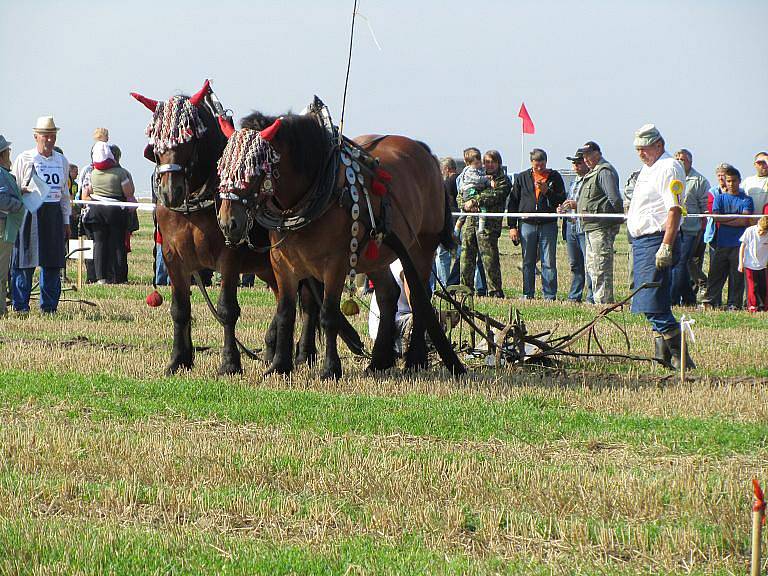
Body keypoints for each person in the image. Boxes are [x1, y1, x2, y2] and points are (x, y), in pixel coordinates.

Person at [626, 124, 692, 370]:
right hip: (643, 241)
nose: (641, 153)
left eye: (645, 148)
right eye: (638, 149)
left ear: (659, 145)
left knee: (651, 302)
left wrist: (666, 245)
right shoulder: (648, 169)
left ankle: (681, 359)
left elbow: (674, 209)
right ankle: (663, 358)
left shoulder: (669, 167)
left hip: (657, 239)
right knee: (652, 301)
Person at [11, 116, 71, 313]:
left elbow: (64, 194)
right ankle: (20, 306)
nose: (50, 140)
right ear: (36, 136)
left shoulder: (61, 160)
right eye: (46, 136)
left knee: (52, 262)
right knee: (24, 261)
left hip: (53, 213)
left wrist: (66, 220)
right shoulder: (24, 158)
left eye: (53, 136)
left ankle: (49, 307)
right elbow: (15, 187)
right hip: (30, 212)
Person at [507, 148, 566, 300]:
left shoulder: (555, 177)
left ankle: (550, 295)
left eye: (542, 163)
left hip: (548, 224)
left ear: (546, 162)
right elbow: (513, 202)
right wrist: (512, 226)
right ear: (531, 163)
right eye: (536, 164)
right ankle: (528, 293)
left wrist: (547, 191)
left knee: (549, 261)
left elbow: (560, 200)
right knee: (528, 260)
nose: (539, 167)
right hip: (527, 224)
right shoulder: (522, 177)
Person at [81, 142, 136, 284]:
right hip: (115, 211)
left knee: (99, 244)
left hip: (96, 211)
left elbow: (86, 194)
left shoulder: (92, 173)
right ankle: (119, 277)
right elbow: (128, 193)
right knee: (118, 243)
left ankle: (101, 277)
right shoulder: (121, 173)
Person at [576, 141, 623, 304]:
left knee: (600, 266)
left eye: (588, 155)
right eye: (584, 156)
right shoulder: (593, 172)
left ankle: (604, 302)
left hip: (601, 227)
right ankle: (598, 300)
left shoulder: (604, 171)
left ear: (598, 153)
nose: (586, 159)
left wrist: (614, 221)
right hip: (591, 227)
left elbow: (615, 199)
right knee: (592, 266)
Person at [459, 150, 510, 298]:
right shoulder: (474, 175)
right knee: (466, 258)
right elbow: (460, 194)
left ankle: (495, 292)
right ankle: (465, 290)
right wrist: (465, 204)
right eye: (487, 161)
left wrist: (475, 201)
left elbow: (495, 195)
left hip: (489, 226)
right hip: (470, 222)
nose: (489, 165)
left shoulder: (503, 180)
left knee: (489, 260)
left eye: (492, 162)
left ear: (498, 163)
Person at [702, 166, 754, 310]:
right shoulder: (719, 198)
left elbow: (744, 221)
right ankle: (710, 302)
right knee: (715, 274)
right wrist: (733, 218)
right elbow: (717, 218)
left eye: (734, 181)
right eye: (729, 181)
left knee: (737, 276)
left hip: (739, 244)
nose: (731, 184)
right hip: (722, 243)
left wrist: (726, 219)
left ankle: (734, 304)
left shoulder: (747, 199)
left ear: (739, 181)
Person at [669, 149, 710, 306]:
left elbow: (704, 209)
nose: (680, 162)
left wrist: (702, 231)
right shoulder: (670, 177)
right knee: (678, 263)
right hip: (672, 227)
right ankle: (689, 299)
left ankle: (672, 300)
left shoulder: (700, 181)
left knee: (680, 263)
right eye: (677, 159)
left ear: (690, 162)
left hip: (690, 229)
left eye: (683, 159)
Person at [558, 151, 592, 303]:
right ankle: (574, 295)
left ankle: (591, 296)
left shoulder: (591, 180)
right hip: (571, 226)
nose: (575, 166)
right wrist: (563, 208)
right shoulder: (573, 182)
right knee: (575, 264)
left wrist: (576, 205)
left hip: (584, 226)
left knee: (589, 263)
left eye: (578, 163)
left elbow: (592, 204)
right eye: (574, 163)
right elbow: (568, 200)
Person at [0, 136, 26, 316]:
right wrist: (19, 203)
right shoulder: (1, 174)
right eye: (7, 151)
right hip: (2, 226)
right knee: (1, 272)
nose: (10, 154)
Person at [368, 259, 412, 356]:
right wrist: (441, 316)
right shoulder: (405, 266)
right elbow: (417, 309)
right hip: (392, 325)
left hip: (386, 324)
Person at [435, 157, 460, 287]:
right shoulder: (460, 179)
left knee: (443, 255)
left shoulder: (447, 183)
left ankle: (445, 283)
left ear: (446, 169)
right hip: (460, 221)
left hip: (451, 221)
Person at [738, 215, 768, 312]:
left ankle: (763, 306)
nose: (761, 233)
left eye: (764, 232)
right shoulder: (749, 231)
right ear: (757, 225)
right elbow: (742, 247)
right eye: (760, 230)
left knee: (763, 286)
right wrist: (740, 263)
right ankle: (752, 306)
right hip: (749, 264)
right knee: (752, 288)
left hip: (763, 265)